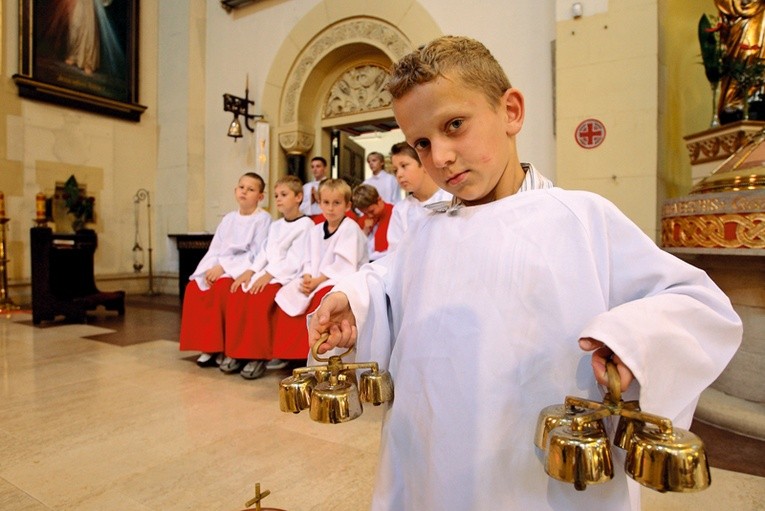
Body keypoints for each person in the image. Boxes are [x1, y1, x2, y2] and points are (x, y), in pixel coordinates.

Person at [307, 36, 742, 511]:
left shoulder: (580, 218)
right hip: (432, 450)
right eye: (423, 143)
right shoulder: (427, 230)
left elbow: (698, 303)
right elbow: (389, 283)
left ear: (511, 111)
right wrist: (355, 300)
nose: (441, 157)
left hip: (540, 465)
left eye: (455, 125)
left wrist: (631, 341)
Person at [223, 175, 314, 379]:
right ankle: (237, 353)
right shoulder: (276, 225)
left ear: (299, 197)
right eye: (276, 196)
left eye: (284, 195)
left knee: (258, 298)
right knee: (238, 293)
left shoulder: (306, 224)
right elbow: (264, 252)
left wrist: (270, 275)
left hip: (287, 276)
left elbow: (295, 259)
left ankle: (258, 356)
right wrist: (251, 272)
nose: (279, 199)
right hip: (268, 273)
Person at [179, 172, 271, 368]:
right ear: (235, 190)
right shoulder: (228, 218)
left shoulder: (263, 219)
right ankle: (208, 347)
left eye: (251, 189)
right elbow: (216, 248)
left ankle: (225, 348)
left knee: (223, 288)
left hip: (242, 269)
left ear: (260, 196)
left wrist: (224, 268)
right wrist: (208, 270)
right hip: (220, 266)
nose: (244, 192)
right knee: (194, 288)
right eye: (241, 187)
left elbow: (256, 252)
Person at [274, 178, 367, 360]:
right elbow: (307, 258)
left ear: (347, 205)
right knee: (287, 292)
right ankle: (286, 354)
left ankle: (312, 353)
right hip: (315, 278)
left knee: (321, 298)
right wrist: (308, 276)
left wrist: (317, 281)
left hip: (342, 279)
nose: (330, 208)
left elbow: (345, 264)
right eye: (326, 202)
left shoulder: (350, 228)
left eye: (337, 203)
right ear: (319, 203)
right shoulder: (315, 230)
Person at [387, 141, 452, 251]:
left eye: (404, 166)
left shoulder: (452, 198)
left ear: (424, 164)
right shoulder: (400, 210)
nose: (399, 174)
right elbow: (395, 253)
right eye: (395, 170)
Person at [352, 184, 393, 261]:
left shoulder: (395, 214)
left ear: (379, 200)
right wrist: (365, 231)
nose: (369, 216)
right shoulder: (364, 219)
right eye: (365, 213)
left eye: (371, 211)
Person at [300, 156, 329, 221]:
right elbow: (300, 207)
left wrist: (318, 199)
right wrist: (310, 201)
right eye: (312, 167)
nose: (315, 169)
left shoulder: (331, 185)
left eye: (318, 166)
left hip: (325, 217)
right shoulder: (306, 187)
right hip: (308, 218)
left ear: (325, 168)